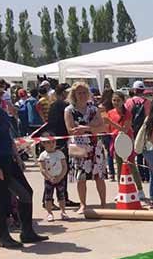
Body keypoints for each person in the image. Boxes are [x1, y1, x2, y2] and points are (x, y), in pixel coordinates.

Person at [0, 75, 48, 248]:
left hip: (7, 158)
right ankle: (3, 237)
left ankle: (27, 232)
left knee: (26, 192)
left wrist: (17, 156)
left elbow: (8, 135)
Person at [65, 82, 108, 214]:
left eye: (84, 92)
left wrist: (86, 128)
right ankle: (83, 204)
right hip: (78, 146)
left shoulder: (94, 109)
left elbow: (103, 127)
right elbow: (70, 130)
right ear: (74, 94)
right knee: (81, 177)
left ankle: (103, 203)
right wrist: (91, 126)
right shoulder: (69, 110)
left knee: (99, 176)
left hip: (95, 146)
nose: (82, 95)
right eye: (79, 93)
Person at [102, 91, 145, 201]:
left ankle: (140, 190)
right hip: (116, 141)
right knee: (120, 167)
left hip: (126, 141)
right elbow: (108, 129)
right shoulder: (110, 112)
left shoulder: (127, 114)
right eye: (114, 100)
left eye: (118, 100)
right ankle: (121, 190)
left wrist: (110, 122)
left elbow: (125, 129)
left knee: (131, 165)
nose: (116, 102)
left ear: (123, 101)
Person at [45, 83, 79, 208]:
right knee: (56, 171)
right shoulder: (65, 106)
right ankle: (49, 200)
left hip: (55, 140)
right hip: (59, 141)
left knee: (60, 171)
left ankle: (62, 197)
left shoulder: (54, 105)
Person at [37, 134, 69, 222]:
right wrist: (49, 177)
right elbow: (42, 169)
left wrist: (60, 177)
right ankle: (49, 213)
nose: (51, 144)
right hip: (49, 180)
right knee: (48, 197)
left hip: (60, 179)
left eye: (53, 142)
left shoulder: (60, 153)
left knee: (61, 196)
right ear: (43, 143)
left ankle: (63, 212)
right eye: (48, 142)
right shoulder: (43, 155)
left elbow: (64, 167)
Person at [126, 80, 151, 183]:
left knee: (137, 152)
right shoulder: (148, 102)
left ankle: (140, 175)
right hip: (144, 130)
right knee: (146, 152)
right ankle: (148, 174)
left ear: (134, 90)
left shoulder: (129, 102)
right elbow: (150, 117)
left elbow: (126, 117)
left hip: (133, 130)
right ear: (143, 90)